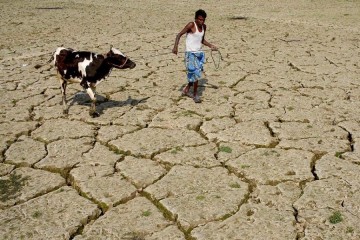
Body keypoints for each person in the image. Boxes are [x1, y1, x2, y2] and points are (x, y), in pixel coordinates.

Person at [172, 9, 218, 103]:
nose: (201, 22)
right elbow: (179, 35)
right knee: (196, 74)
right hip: (190, 54)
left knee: (195, 74)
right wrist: (175, 47)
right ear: (196, 19)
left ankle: (186, 89)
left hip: (199, 53)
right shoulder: (191, 25)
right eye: (200, 19)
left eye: (203, 20)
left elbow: (202, 40)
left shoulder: (204, 27)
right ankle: (195, 94)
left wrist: (211, 46)